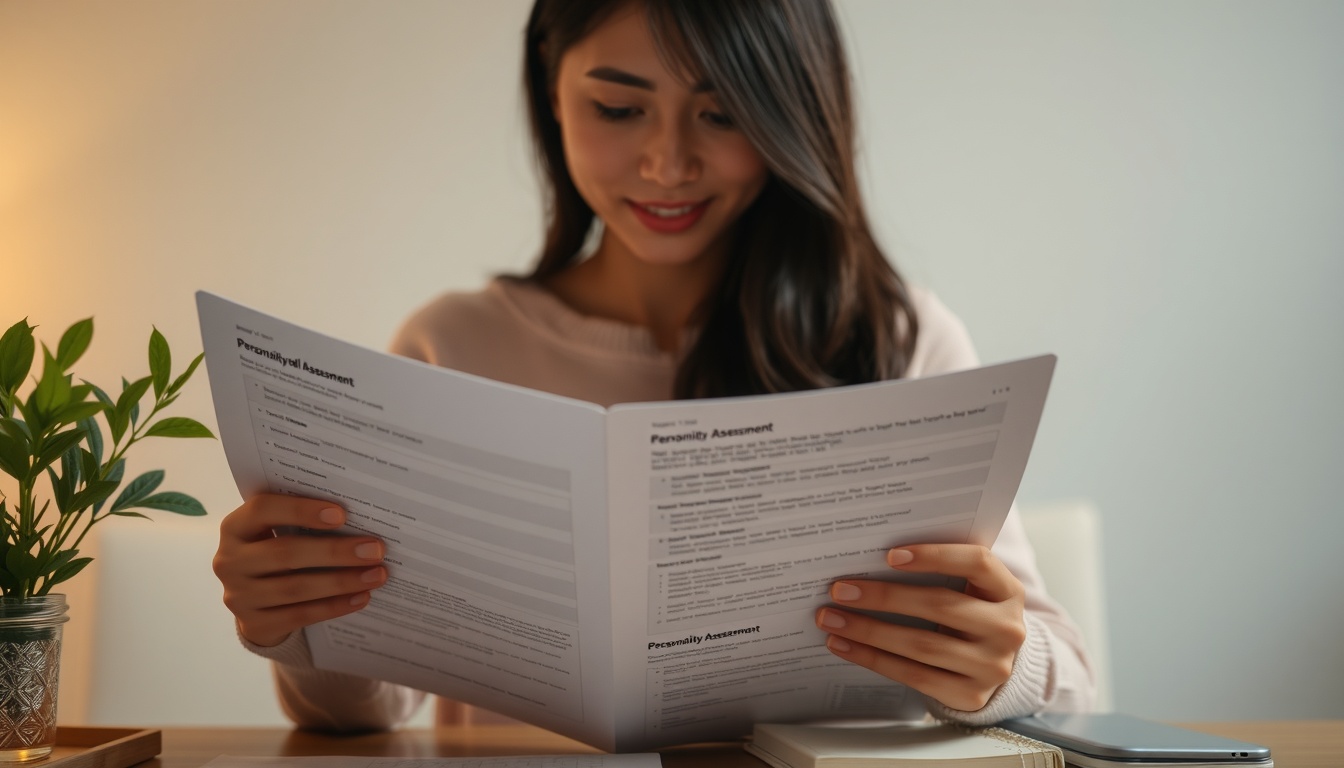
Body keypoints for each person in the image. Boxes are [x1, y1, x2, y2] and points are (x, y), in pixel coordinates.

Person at [212, 0, 1095, 733]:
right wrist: (300, 623)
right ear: (550, 96)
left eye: (722, 113)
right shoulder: (454, 346)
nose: (668, 163)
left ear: (791, 118)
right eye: (619, 107)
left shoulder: (899, 341)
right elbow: (364, 715)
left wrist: (997, 667)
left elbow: (1074, 691)